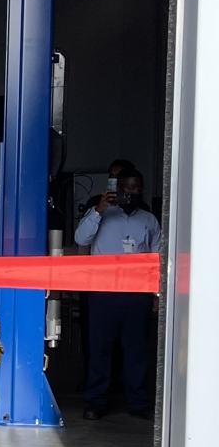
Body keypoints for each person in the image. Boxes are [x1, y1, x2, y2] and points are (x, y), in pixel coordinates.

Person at [73, 168, 160, 420]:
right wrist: (98, 209)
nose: (130, 192)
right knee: (100, 350)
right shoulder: (101, 214)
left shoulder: (149, 220)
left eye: (135, 188)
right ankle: (95, 402)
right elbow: (81, 238)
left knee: (136, 352)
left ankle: (138, 403)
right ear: (116, 189)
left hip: (136, 295)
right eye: (125, 188)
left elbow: (157, 259)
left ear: (141, 189)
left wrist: (155, 294)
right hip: (103, 295)